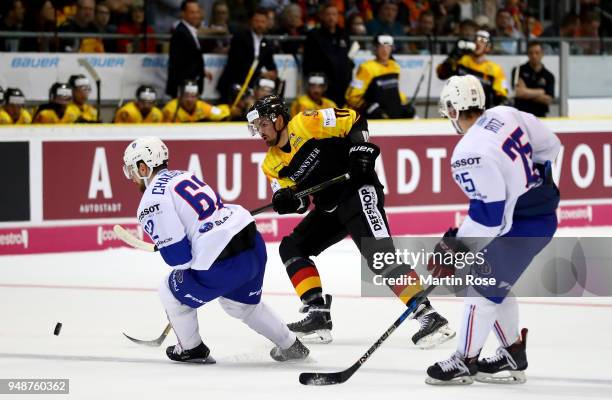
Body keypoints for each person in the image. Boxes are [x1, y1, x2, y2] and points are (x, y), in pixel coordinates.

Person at [246, 95, 454, 347]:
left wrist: (359, 150)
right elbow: (301, 203)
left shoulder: (306, 122)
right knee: (292, 247)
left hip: (358, 191)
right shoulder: (271, 163)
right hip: (330, 208)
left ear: (278, 119)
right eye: (256, 127)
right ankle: (317, 314)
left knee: (380, 256)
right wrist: (288, 201)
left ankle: (430, 316)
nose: (259, 132)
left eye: (262, 124)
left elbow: (354, 120)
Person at [121, 136, 310, 363]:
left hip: (223, 263)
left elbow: (179, 259)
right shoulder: (183, 175)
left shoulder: (151, 200)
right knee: (241, 306)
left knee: (169, 290)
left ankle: (191, 349)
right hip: (253, 245)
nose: (131, 177)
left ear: (144, 167)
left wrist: (168, 250)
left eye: (132, 169)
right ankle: (291, 346)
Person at [425, 75, 560, 385]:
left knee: (482, 285)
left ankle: (464, 360)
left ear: (455, 109)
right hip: (536, 215)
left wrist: (456, 247)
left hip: (523, 224)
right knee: (492, 282)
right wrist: (534, 183)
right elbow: (551, 144)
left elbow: (489, 218)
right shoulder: (506, 113)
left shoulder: (468, 152)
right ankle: (512, 351)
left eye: (449, 111)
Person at [216, 8, 278, 103]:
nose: (260, 24)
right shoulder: (240, 37)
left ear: (267, 23)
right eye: (257, 21)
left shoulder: (266, 43)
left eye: (263, 22)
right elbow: (238, 64)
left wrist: (273, 73)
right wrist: (261, 74)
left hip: (253, 84)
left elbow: (270, 64)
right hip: (235, 83)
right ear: (251, 21)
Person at [345, 35, 415, 119]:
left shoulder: (395, 66)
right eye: (381, 46)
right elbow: (352, 96)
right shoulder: (366, 68)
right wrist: (368, 107)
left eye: (388, 46)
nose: (385, 50)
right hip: (375, 116)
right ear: (375, 48)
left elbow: (394, 91)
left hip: (392, 113)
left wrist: (404, 103)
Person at [436, 30, 509, 108]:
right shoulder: (461, 60)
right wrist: (452, 57)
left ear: (488, 48)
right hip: (458, 111)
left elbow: (501, 97)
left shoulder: (495, 69)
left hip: (483, 113)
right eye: (475, 40)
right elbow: (441, 74)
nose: (477, 43)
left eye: (482, 41)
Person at [302, 4, 353, 106]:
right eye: (328, 14)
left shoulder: (344, 34)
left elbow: (348, 58)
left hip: (343, 85)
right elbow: (307, 62)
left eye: (334, 14)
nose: (331, 17)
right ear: (322, 16)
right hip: (323, 87)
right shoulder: (314, 35)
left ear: (338, 16)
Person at [165, 0, 209, 98]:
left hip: (190, 88)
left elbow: (191, 57)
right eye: (192, 12)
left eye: (197, 12)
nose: (196, 15)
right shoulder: (180, 32)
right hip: (184, 90)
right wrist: (182, 89)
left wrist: (202, 71)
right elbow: (178, 64)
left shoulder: (190, 30)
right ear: (183, 14)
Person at [512, 41, 554, 117]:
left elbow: (548, 100)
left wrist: (526, 92)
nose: (534, 56)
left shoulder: (549, 76)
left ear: (542, 54)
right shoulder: (518, 70)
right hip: (521, 115)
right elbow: (518, 93)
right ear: (527, 54)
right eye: (531, 53)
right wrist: (540, 92)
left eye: (537, 53)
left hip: (540, 116)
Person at [163, 80, 230, 122]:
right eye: (186, 96)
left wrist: (230, 113)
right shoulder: (170, 110)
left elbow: (219, 113)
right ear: (179, 97)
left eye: (193, 96)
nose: (189, 100)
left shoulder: (202, 106)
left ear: (197, 97)